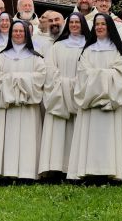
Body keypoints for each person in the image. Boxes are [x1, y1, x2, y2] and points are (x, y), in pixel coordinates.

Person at [0, 20, 47, 180]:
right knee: (5, 139)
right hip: (7, 108)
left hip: (28, 108)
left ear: (27, 34)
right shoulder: (2, 56)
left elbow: (41, 77)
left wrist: (12, 80)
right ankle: (3, 171)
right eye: (15, 31)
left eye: (21, 31)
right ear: (10, 34)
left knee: (28, 140)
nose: (18, 34)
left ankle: (27, 173)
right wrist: (20, 82)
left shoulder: (36, 57)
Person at [67, 13, 122, 181]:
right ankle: (87, 171)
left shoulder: (117, 50)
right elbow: (82, 74)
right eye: (97, 24)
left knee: (108, 139)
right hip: (91, 106)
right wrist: (104, 78)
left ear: (109, 27)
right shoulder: (87, 50)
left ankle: (110, 172)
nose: (100, 27)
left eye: (103, 24)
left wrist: (97, 78)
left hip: (109, 104)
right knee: (90, 140)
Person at [39, 12, 92, 176]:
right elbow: (49, 69)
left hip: (80, 93)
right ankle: (56, 168)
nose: (74, 25)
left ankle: (75, 168)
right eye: (72, 22)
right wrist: (64, 85)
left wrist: (77, 85)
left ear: (83, 24)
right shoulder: (57, 46)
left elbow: (90, 70)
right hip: (59, 95)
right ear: (68, 25)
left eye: (78, 22)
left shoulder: (89, 46)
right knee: (58, 132)